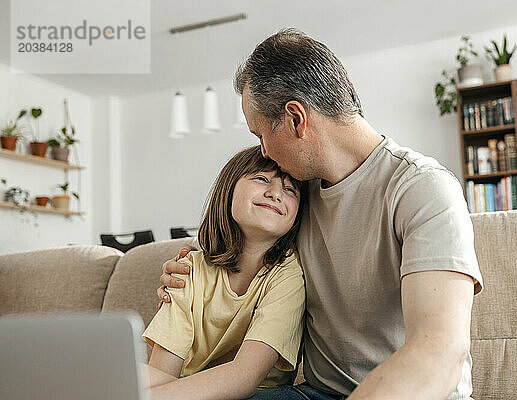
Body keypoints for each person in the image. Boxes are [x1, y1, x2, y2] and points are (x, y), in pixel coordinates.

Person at [158, 28, 484, 400]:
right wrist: (188, 273)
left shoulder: (422, 189)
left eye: (260, 134)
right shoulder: (296, 195)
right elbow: (240, 259)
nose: (264, 152)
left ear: (297, 119)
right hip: (316, 394)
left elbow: (439, 353)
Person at [143, 145, 307, 400]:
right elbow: (163, 371)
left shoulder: (289, 275)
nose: (275, 193)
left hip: (260, 393)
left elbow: (246, 375)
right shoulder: (189, 267)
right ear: (229, 189)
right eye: (262, 178)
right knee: (124, 373)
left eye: (290, 190)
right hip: (187, 387)